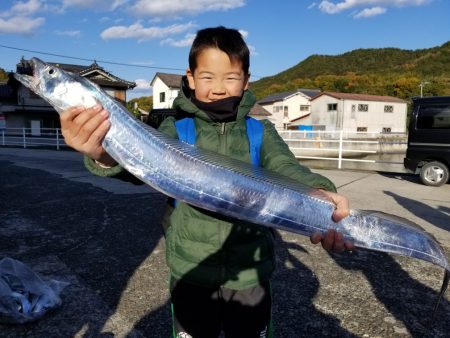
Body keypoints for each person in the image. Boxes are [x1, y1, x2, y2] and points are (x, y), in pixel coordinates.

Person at [60, 26, 354, 338]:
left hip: (249, 277)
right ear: (190, 78)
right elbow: (136, 167)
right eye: (207, 77)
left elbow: (288, 169)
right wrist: (103, 156)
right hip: (191, 273)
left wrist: (320, 192)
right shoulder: (176, 130)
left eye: (230, 77)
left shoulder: (260, 132)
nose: (217, 88)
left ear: (245, 81)